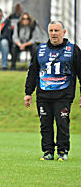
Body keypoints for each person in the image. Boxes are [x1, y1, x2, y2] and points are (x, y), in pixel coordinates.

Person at [24, 21, 81, 161]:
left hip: (64, 94)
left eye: (57, 30)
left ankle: (63, 151)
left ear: (64, 32)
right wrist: (28, 92)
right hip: (43, 94)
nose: (54, 34)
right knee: (45, 125)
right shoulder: (40, 49)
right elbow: (33, 71)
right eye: (51, 31)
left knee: (62, 123)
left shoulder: (73, 50)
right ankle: (48, 152)